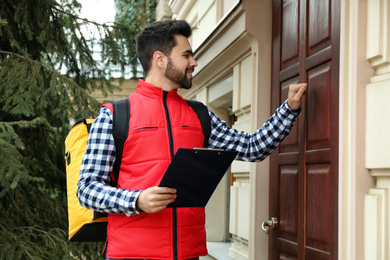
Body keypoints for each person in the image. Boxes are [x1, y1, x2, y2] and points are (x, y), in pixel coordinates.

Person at [77, 19, 307, 260]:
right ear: (160, 59)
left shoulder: (199, 114)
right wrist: (136, 200)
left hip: (188, 254)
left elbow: (252, 148)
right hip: (130, 255)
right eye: (186, 55)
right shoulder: (115, 115)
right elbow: (87, 189)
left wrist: (289, 110)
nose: (194, 63)